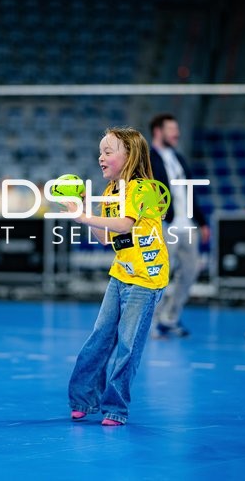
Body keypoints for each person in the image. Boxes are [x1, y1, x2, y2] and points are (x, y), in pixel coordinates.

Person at [64, 127, 169, 426]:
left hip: (146, 278)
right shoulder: (111, 191)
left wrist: (85, 217)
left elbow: (125, 224)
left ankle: (115, 409)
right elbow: (108, 238)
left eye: (108, 152)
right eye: (100, 152)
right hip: (121, 272)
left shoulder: (144, 189)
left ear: (130, 155)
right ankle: (83, 399)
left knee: (127, 344)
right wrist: (83, 211)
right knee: (100, 338)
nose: (101, 157)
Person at [148, 113, 210, 339]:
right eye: (171, 129)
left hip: (188, 225)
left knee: (190, 272)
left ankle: (169, 319)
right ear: (158, 131)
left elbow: (189, 191)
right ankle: (152, 321)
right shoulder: (147, 158)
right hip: (166, 224)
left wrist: (202, 222)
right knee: (160, 275)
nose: (177, 133)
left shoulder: (178, 158)